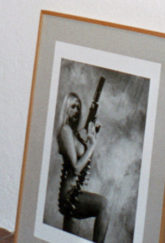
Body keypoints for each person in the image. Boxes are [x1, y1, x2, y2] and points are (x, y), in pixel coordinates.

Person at [56, 92, 109, 243]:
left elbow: (83, 157)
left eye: (79, 107)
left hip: (74, 192)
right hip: (70, 196)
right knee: (104, 205)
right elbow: (76, 168)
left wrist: (93, 134)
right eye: (73, 107)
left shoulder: (72, 133)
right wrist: (92, 146)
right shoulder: (65, 130)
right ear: (66, 108)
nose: (77, 111)